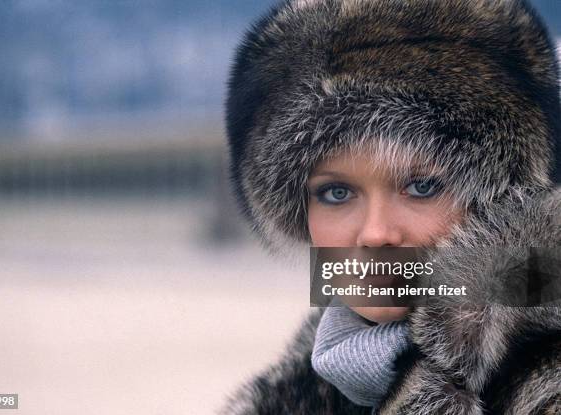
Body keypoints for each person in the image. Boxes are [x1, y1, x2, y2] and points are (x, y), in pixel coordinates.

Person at [222, 0, 561, 414]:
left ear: (505, 199)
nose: (376, 233)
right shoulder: (301, 391)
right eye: (336, 194)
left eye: (421, 187)